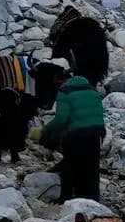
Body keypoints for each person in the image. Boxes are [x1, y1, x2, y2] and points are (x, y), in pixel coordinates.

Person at [41, 66, 106, 200]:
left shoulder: (65, 92)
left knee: (70, 164)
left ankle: (66, 196)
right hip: (97, 131)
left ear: (61, 81)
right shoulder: (92, 90)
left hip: (77, 134)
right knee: (92, 166)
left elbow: (61, 118)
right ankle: (93, 197)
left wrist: (46, 130)